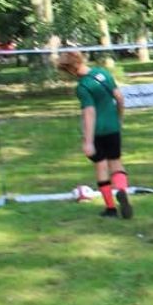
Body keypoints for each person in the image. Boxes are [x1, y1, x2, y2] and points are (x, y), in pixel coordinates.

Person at [56, 50, 133, 220]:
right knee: (116, 164)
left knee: (101, 167)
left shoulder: (83, 87)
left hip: (97, 132)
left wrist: (88, 141)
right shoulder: (103, 73)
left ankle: (111, 209)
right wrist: (119, 119)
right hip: (113, 128)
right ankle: (121, 190)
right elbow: (119, 98)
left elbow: (89, 113)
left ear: (69, 70)